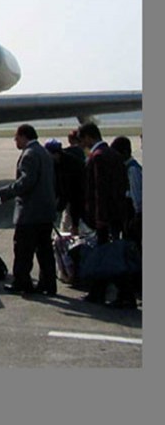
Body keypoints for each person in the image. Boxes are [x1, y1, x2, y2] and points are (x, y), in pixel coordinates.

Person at [0, 124, 58, 295]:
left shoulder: (29, 154)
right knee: (45, 251)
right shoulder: (44, 153)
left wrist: (5, 192)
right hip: (45, 212)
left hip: (30, 213)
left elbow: (26, 182)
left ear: (24, 136)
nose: (15, 141)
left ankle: (22, 283)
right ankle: (48, 284)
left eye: (16, 137)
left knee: (23, 250)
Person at [78, 122, 135, 308]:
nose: (82, 144)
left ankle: (123, 295)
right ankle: (99, 292)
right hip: (117, 216)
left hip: (105, 218)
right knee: (111, 255)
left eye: (82, 139)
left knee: (107, 256)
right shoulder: (114, 155)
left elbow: (99, 191)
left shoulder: (99, 157)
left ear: (89, 137)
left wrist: (99, 219)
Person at [43, 138, 85, 237]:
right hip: (69, 200)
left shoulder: (71, 165)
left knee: (71, 230)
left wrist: (75, 223)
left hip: (78, 200)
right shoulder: (55, 164)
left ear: (55, 154)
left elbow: (71, 193)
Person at [111, 135, 142, 248]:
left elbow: (137, 196)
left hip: (134, 215)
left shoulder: (132, 170)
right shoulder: (126, 168)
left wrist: (135, 217)